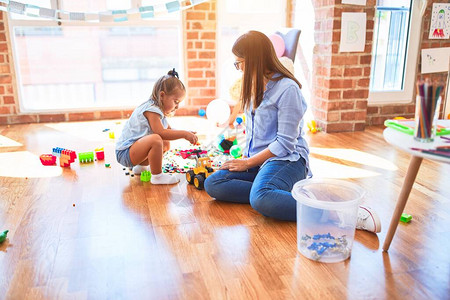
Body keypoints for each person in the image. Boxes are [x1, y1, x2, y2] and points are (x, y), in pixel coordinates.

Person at [204, 31, 381, 233]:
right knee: (214, 183)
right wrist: (246, 158)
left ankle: (339, 212)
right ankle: (280, 194)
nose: (239, 69)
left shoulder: (287, 89)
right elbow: (254, 131)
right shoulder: (252, 86)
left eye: (240, 63)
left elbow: (285, 144)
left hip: (287, 160)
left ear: (254, 61)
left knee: (261, 198)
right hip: (259, 161)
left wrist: (247, 163)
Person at [116, 69, 198, 185]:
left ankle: (141, 167)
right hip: (125, 153)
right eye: (176, 101)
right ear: (162, 95)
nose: (177, 106)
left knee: (164, 142)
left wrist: (187, 132)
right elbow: (161, 133)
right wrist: (184, 134)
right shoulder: (152, 110)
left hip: (133, 152)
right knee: (156, 139)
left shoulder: (158, 110)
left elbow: (169, 131)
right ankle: (157, 176)